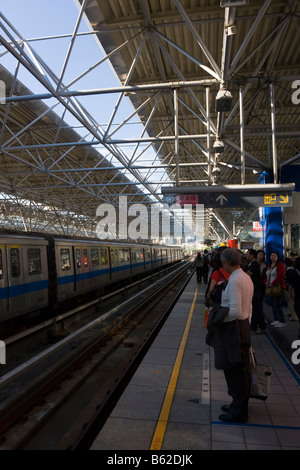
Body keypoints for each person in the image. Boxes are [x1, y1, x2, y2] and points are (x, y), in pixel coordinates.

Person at [207, 248, 253, 423]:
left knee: (235, 371)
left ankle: (239, 412)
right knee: (239, 370)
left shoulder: (234, 281)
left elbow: (235, 311)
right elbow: (248, 308)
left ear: (226, 263)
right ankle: (237, 404)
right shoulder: (245, 278)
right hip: (242, 326)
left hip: (233, 329)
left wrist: (218, 317)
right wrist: (246, 324)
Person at [264, 251, 286, 327]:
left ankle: (282, 321)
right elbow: (265, 276)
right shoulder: (269, 265)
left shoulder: (280, 265)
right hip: (270, 288)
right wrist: (266, 282)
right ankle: (276, 319)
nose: (273, 257)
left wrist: (272, 284)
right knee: (273, 304)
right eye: (271, 255)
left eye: (274, 255)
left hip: (278, 287)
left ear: (277, 257)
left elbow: (280, 276)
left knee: (277, 304)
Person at [246, 249, 266, 334]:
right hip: (254, 290)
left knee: (257, 309)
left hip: (256, 290)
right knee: (254, 308)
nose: (246, 256)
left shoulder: (254, 265)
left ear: (252, 255)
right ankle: (253, 326)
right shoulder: (252, 264)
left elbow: (247, 276)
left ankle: (262, 327)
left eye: (247, 254)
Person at [289, 257, 300, 339]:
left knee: (298, 310)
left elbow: (290, 285)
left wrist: (290, 294)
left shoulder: (293, 272)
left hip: (298, 294)